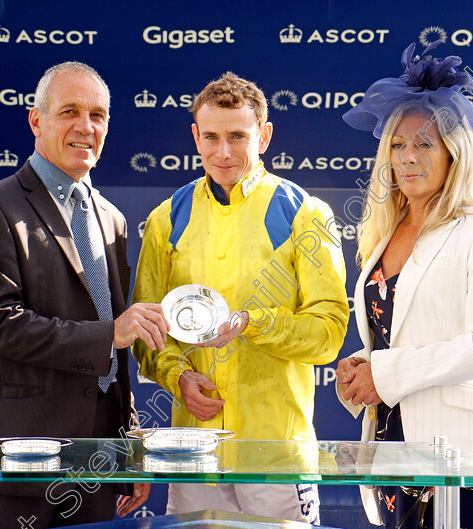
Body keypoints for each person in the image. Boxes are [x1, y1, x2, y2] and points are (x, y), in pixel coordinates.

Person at [0, 61, 168, 528]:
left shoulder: (111, 218)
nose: (85, 127)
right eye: (69, 111)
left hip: (97, 466)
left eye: (98, 115)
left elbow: (114, 358)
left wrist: (129, 446)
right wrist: (111, 333)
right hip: (17, 463)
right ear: (36, 120)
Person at [132, 71, 349, 524]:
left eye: (238, 136)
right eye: (211, 137)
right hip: (193, 452)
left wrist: (254, 322)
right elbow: (146, 330)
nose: (223, 152)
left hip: (277, 453)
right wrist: (177, 379)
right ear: (195, 137)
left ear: (264, 136)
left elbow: (328, 332)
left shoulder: (306, 213)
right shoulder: (165, 219)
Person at [335, 42, 473, 529]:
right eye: (398, 145)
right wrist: (365, 365)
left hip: (463, 452)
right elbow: (397, 333)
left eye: (424, 144)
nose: (408, 158)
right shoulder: (386, 229)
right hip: (391, 442)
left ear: (454, 152)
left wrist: (388, 371)